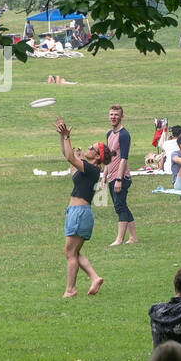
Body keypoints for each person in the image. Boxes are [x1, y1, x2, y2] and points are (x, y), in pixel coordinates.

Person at [55, 118, 107, 297]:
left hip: (79, 213)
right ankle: (94, 277)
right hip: (77, 213)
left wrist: (68, 136)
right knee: (73, 252)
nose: (89, 148)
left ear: (98, 156)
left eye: (92, 148)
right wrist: (63, 137)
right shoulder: (87, 169)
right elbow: (68, 156)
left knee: (70, 253)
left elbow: (71, 156)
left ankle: (71, 289)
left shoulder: (92, 170)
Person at [105, 105, 138, 245]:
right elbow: (108, 157)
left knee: (119, 207)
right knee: (122, 205)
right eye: (111, 114)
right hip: (111, 176)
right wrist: (104, 175)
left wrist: (119, 179)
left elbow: (124, 158)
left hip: (121, 177)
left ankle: (119, 239)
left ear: (122, 117)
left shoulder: (124, 135)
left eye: (116, 115)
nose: (113, 117)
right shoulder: (109, 134)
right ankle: (133, 237)